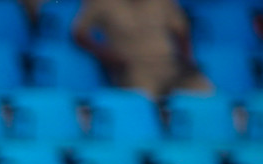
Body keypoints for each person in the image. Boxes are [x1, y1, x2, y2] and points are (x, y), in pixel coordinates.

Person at [72, 0, 212, 99]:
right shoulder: (101, 2)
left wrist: (186, 59)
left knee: (207, 97)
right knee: (145, 103)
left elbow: (181, 30)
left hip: (171, 63)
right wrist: (106, 55)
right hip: (134, 66)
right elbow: (79, 33)